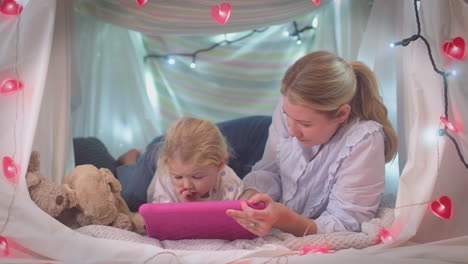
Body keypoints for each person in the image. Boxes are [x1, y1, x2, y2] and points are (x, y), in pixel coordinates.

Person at [226, 51, 398, 237]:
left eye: (304, 124)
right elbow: (269, 170)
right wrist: (252, 195)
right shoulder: (291, 108)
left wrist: (286, 220)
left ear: (341, 114)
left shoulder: (363, 140)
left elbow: (345, 222)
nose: (292, 132)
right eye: (287, 117)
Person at [146, 117, 244, 203]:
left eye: (197, 177)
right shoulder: (166, 176)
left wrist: (192, 206)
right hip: (149, 161)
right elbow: (162, 219)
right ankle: (132, 158)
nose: (187, 185)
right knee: (134, 192)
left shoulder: (230, 184)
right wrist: (184, 207)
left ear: (219, 166)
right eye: (178, 177)